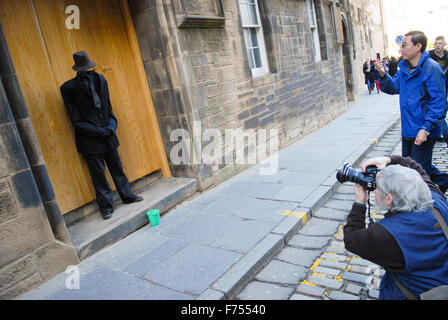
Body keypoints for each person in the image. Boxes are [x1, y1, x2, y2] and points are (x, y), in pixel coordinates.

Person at [344, 155, 448, 300]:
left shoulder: (388, 234)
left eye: (378, 188)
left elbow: (351, 239)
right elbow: (414, 166)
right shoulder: (436, 200)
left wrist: (360, 202)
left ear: (389, 199)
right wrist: (387, 160)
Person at [60, 51, 143, 220]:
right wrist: (99, 131)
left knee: (117, 168)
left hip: (109, 135)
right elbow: (76, 119)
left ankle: (127, 196)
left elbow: (108, 108)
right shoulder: (68, 88)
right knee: (98, 174)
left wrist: (112, 126)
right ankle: (106, 206)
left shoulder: (101, 80)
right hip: (90, 140)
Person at [375, 31, 448, 193]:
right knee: (412, 166)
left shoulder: (432, 68)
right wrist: (382, 74)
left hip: (423, 130)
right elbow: (393, 87)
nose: (402, 49)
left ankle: (426, 206)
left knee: (417, 173)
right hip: (408, 128)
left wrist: (426, 128)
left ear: (418, 46)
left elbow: (439, 103)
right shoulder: (403, 69)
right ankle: (443, 181)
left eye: (405, 45)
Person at [429, 36, 448, 143]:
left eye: (440, 43)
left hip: (446, 87)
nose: (438, 46)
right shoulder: (429, 56)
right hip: (434, 88)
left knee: (442, 112)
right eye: (436, 43)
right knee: (439, 112)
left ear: (444, 45)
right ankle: (444, 133)